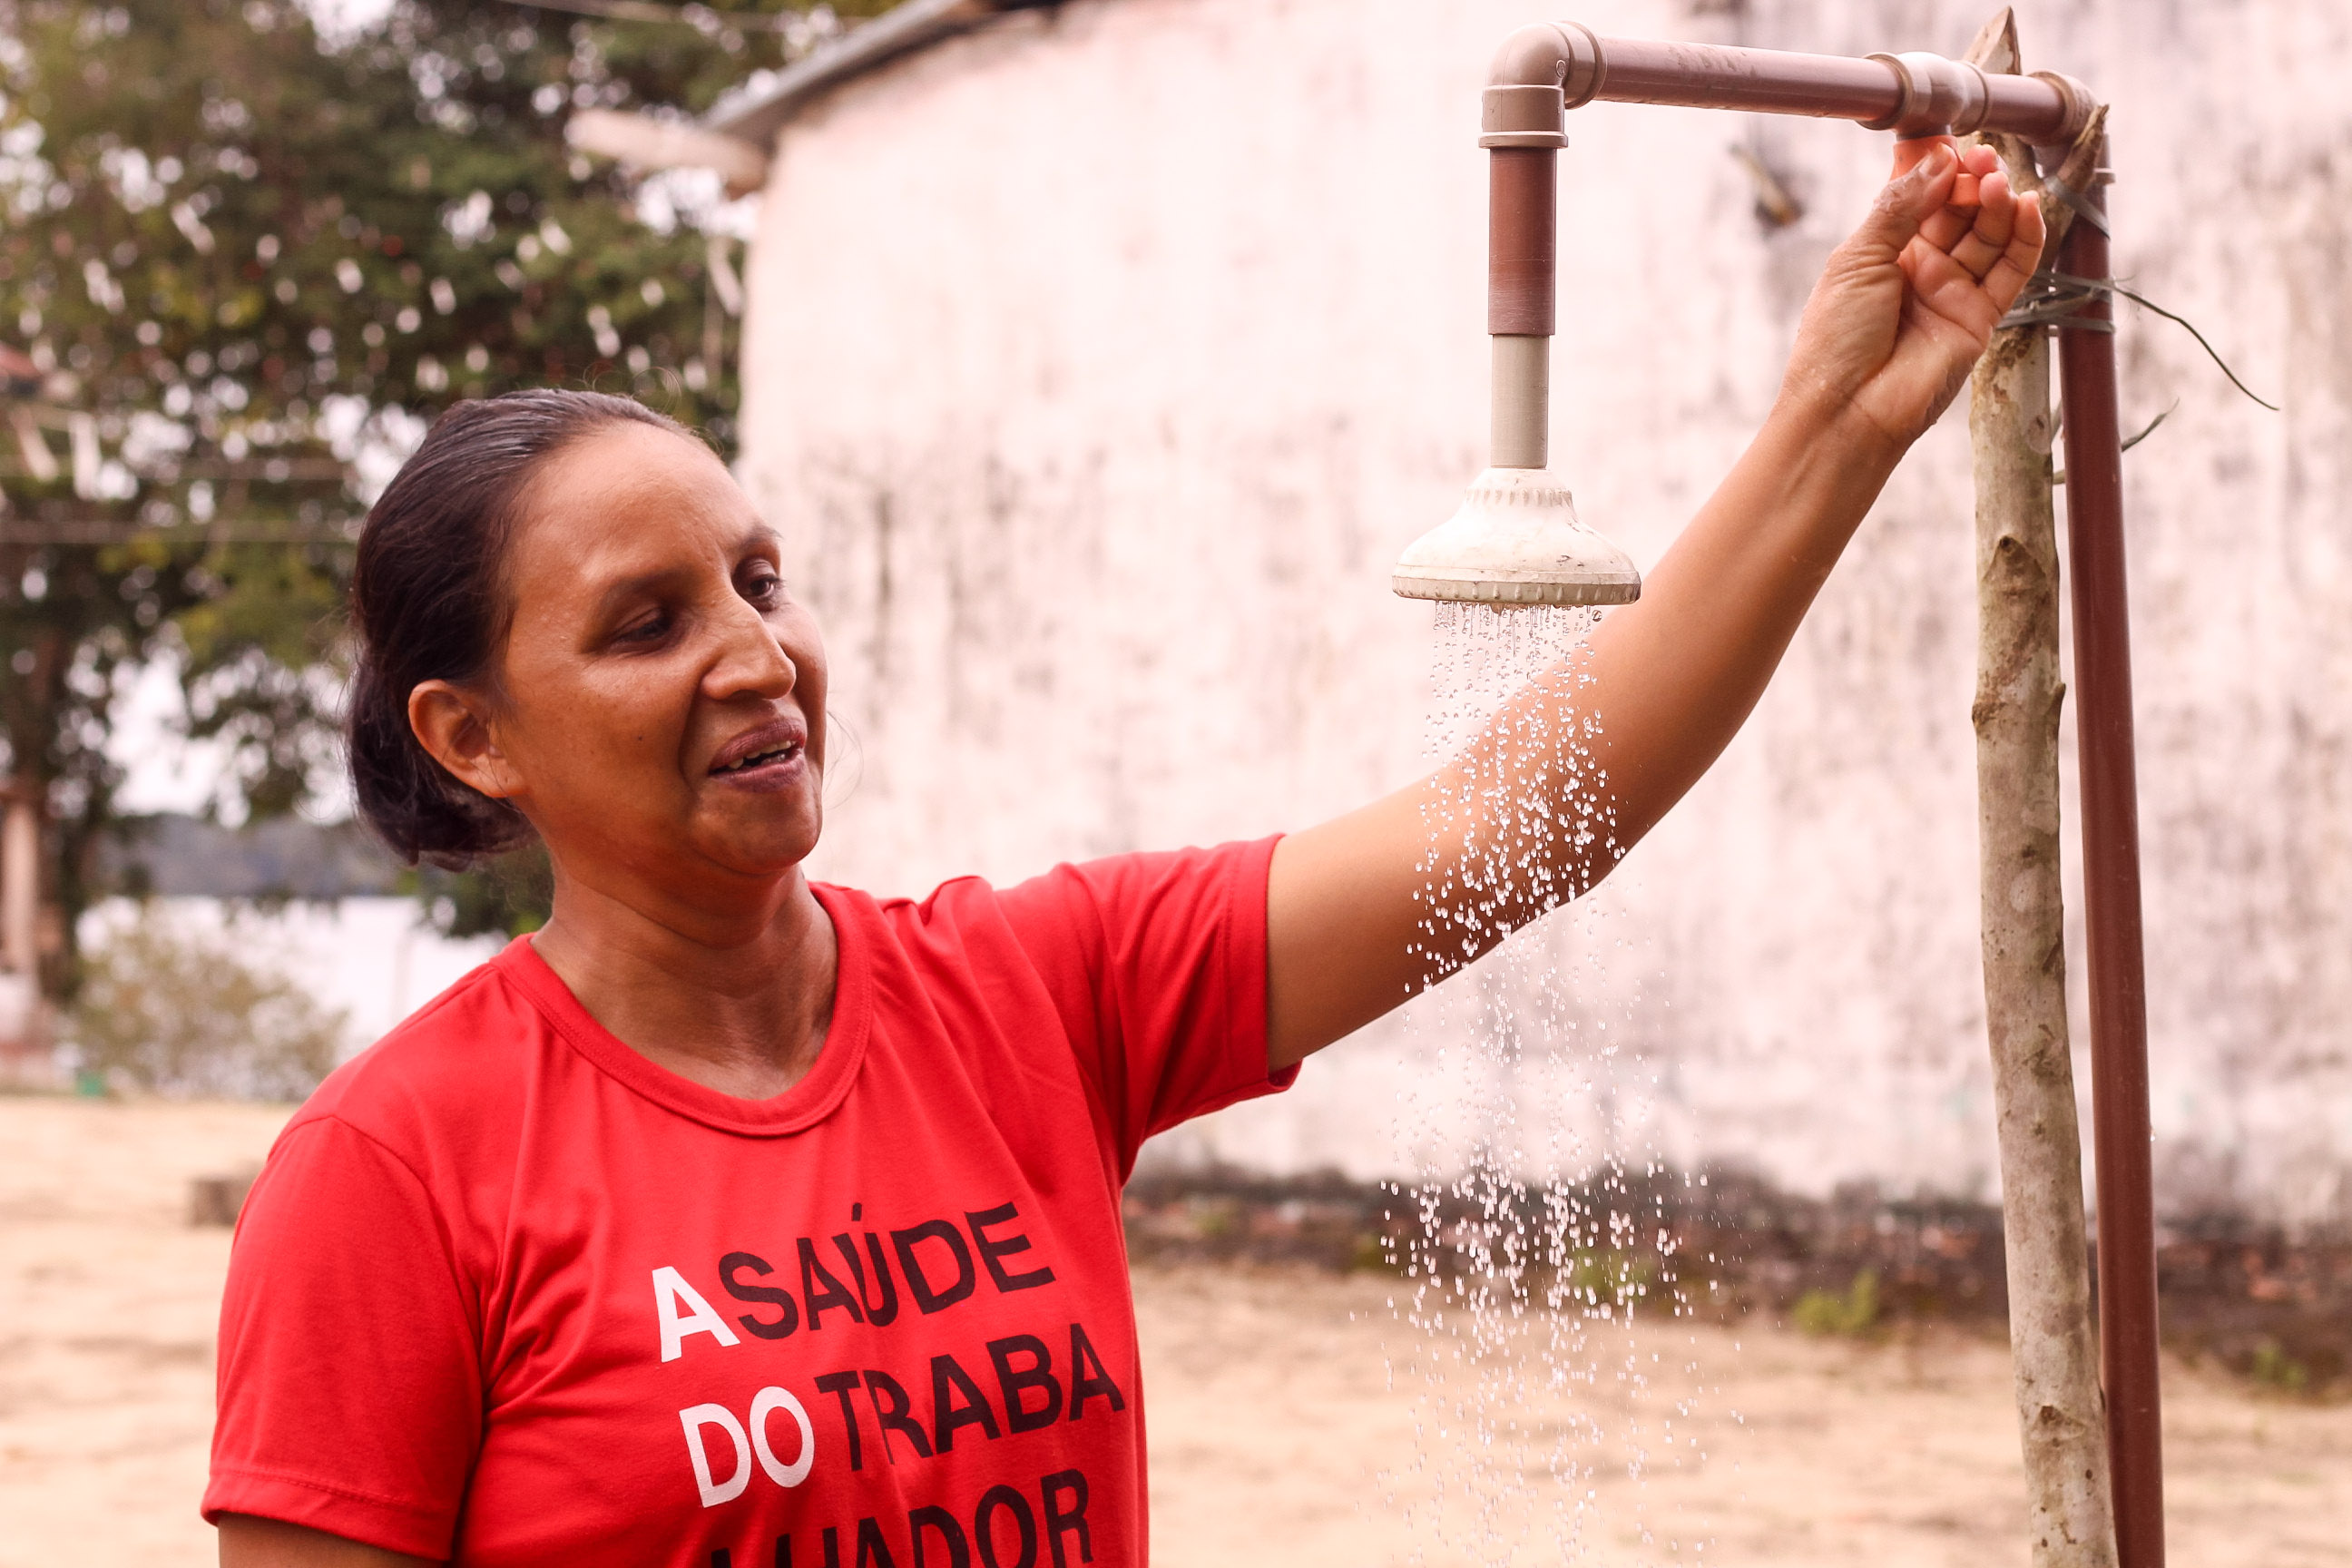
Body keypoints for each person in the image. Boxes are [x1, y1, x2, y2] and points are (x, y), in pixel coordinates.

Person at [208, 141, 2041, 1566]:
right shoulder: (395, 1172)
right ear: (472, 734)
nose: (759, 655)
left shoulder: (1028, 994)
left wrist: (1839, 420)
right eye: (646, 622)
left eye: (761, 584)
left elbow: (1515, 829)